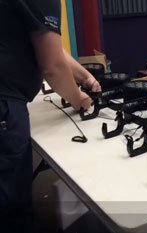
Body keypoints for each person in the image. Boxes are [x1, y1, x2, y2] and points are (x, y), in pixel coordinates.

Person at [0, 0, 101, 232]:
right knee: (12, 210)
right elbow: (52, 67)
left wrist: (85, 77)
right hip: (5, 105)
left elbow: (51, 46)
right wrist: (80, 100)